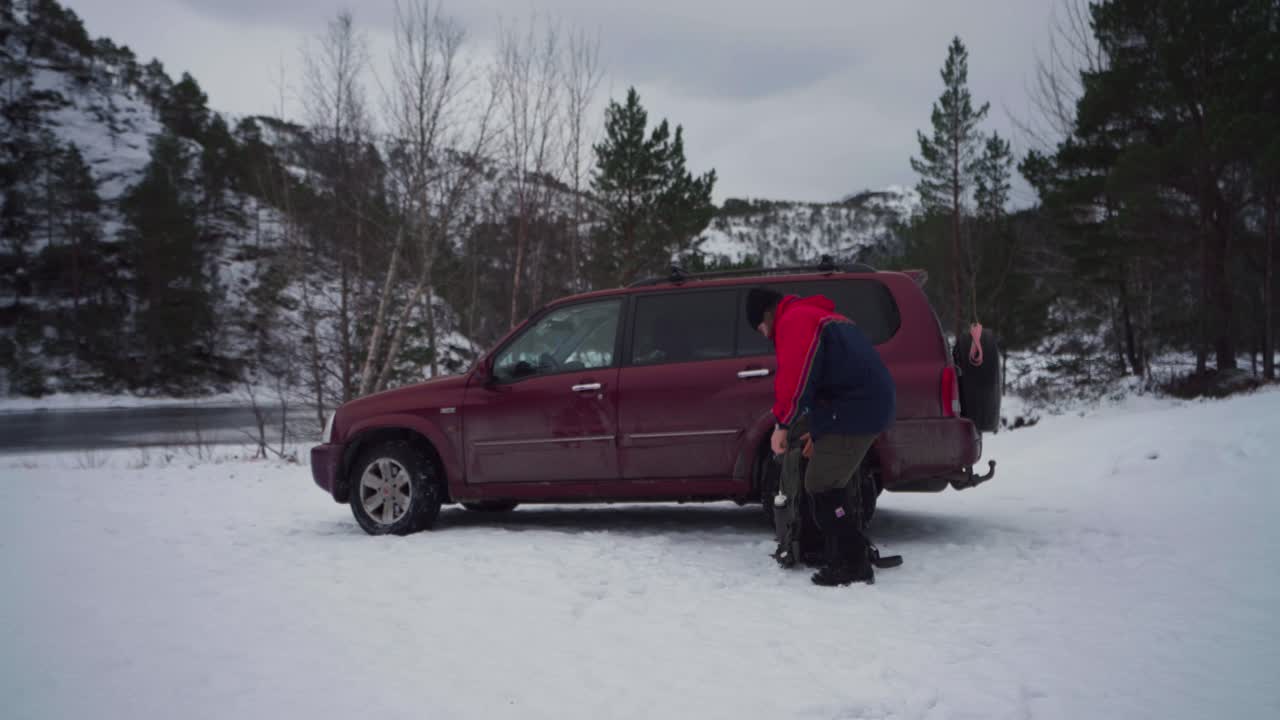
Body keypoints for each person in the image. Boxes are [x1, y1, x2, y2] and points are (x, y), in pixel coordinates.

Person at [746, 287, 897, 586]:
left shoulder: (794, 321)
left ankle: (853, 562)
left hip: (858, 407)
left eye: (760, 327)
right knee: (825, 482)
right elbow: (825, 379)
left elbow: (797, 376)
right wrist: (817, 431)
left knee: (822, 484)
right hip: (857, 404)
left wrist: (782, 424)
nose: (764, 334)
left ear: (767, 313)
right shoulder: (814, 316)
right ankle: (846, 552)